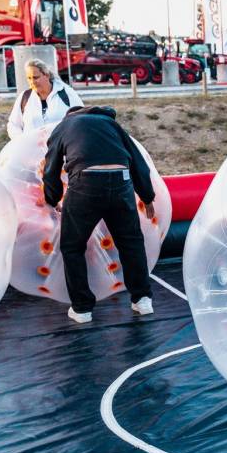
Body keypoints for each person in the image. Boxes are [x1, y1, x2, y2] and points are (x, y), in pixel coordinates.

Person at [42, 105, 156, 324]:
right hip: (121, 182)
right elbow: (138, 162)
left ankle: (82, 309)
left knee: (73, 246)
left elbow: (51, 168)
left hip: (86, 183)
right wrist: (147, 196)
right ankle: (142, 300)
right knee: (131, 242)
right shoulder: (113, 125)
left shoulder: (65, 126)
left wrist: (51, 199)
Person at [7, 58, 83, 138]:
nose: (32, 82)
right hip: (32, 149)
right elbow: (13, 125)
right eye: (29, 78)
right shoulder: (25, 97)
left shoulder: (67, 94)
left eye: (36, 77)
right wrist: (21, 141)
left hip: (61, 148)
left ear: (46, 75)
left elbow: (81, 119)